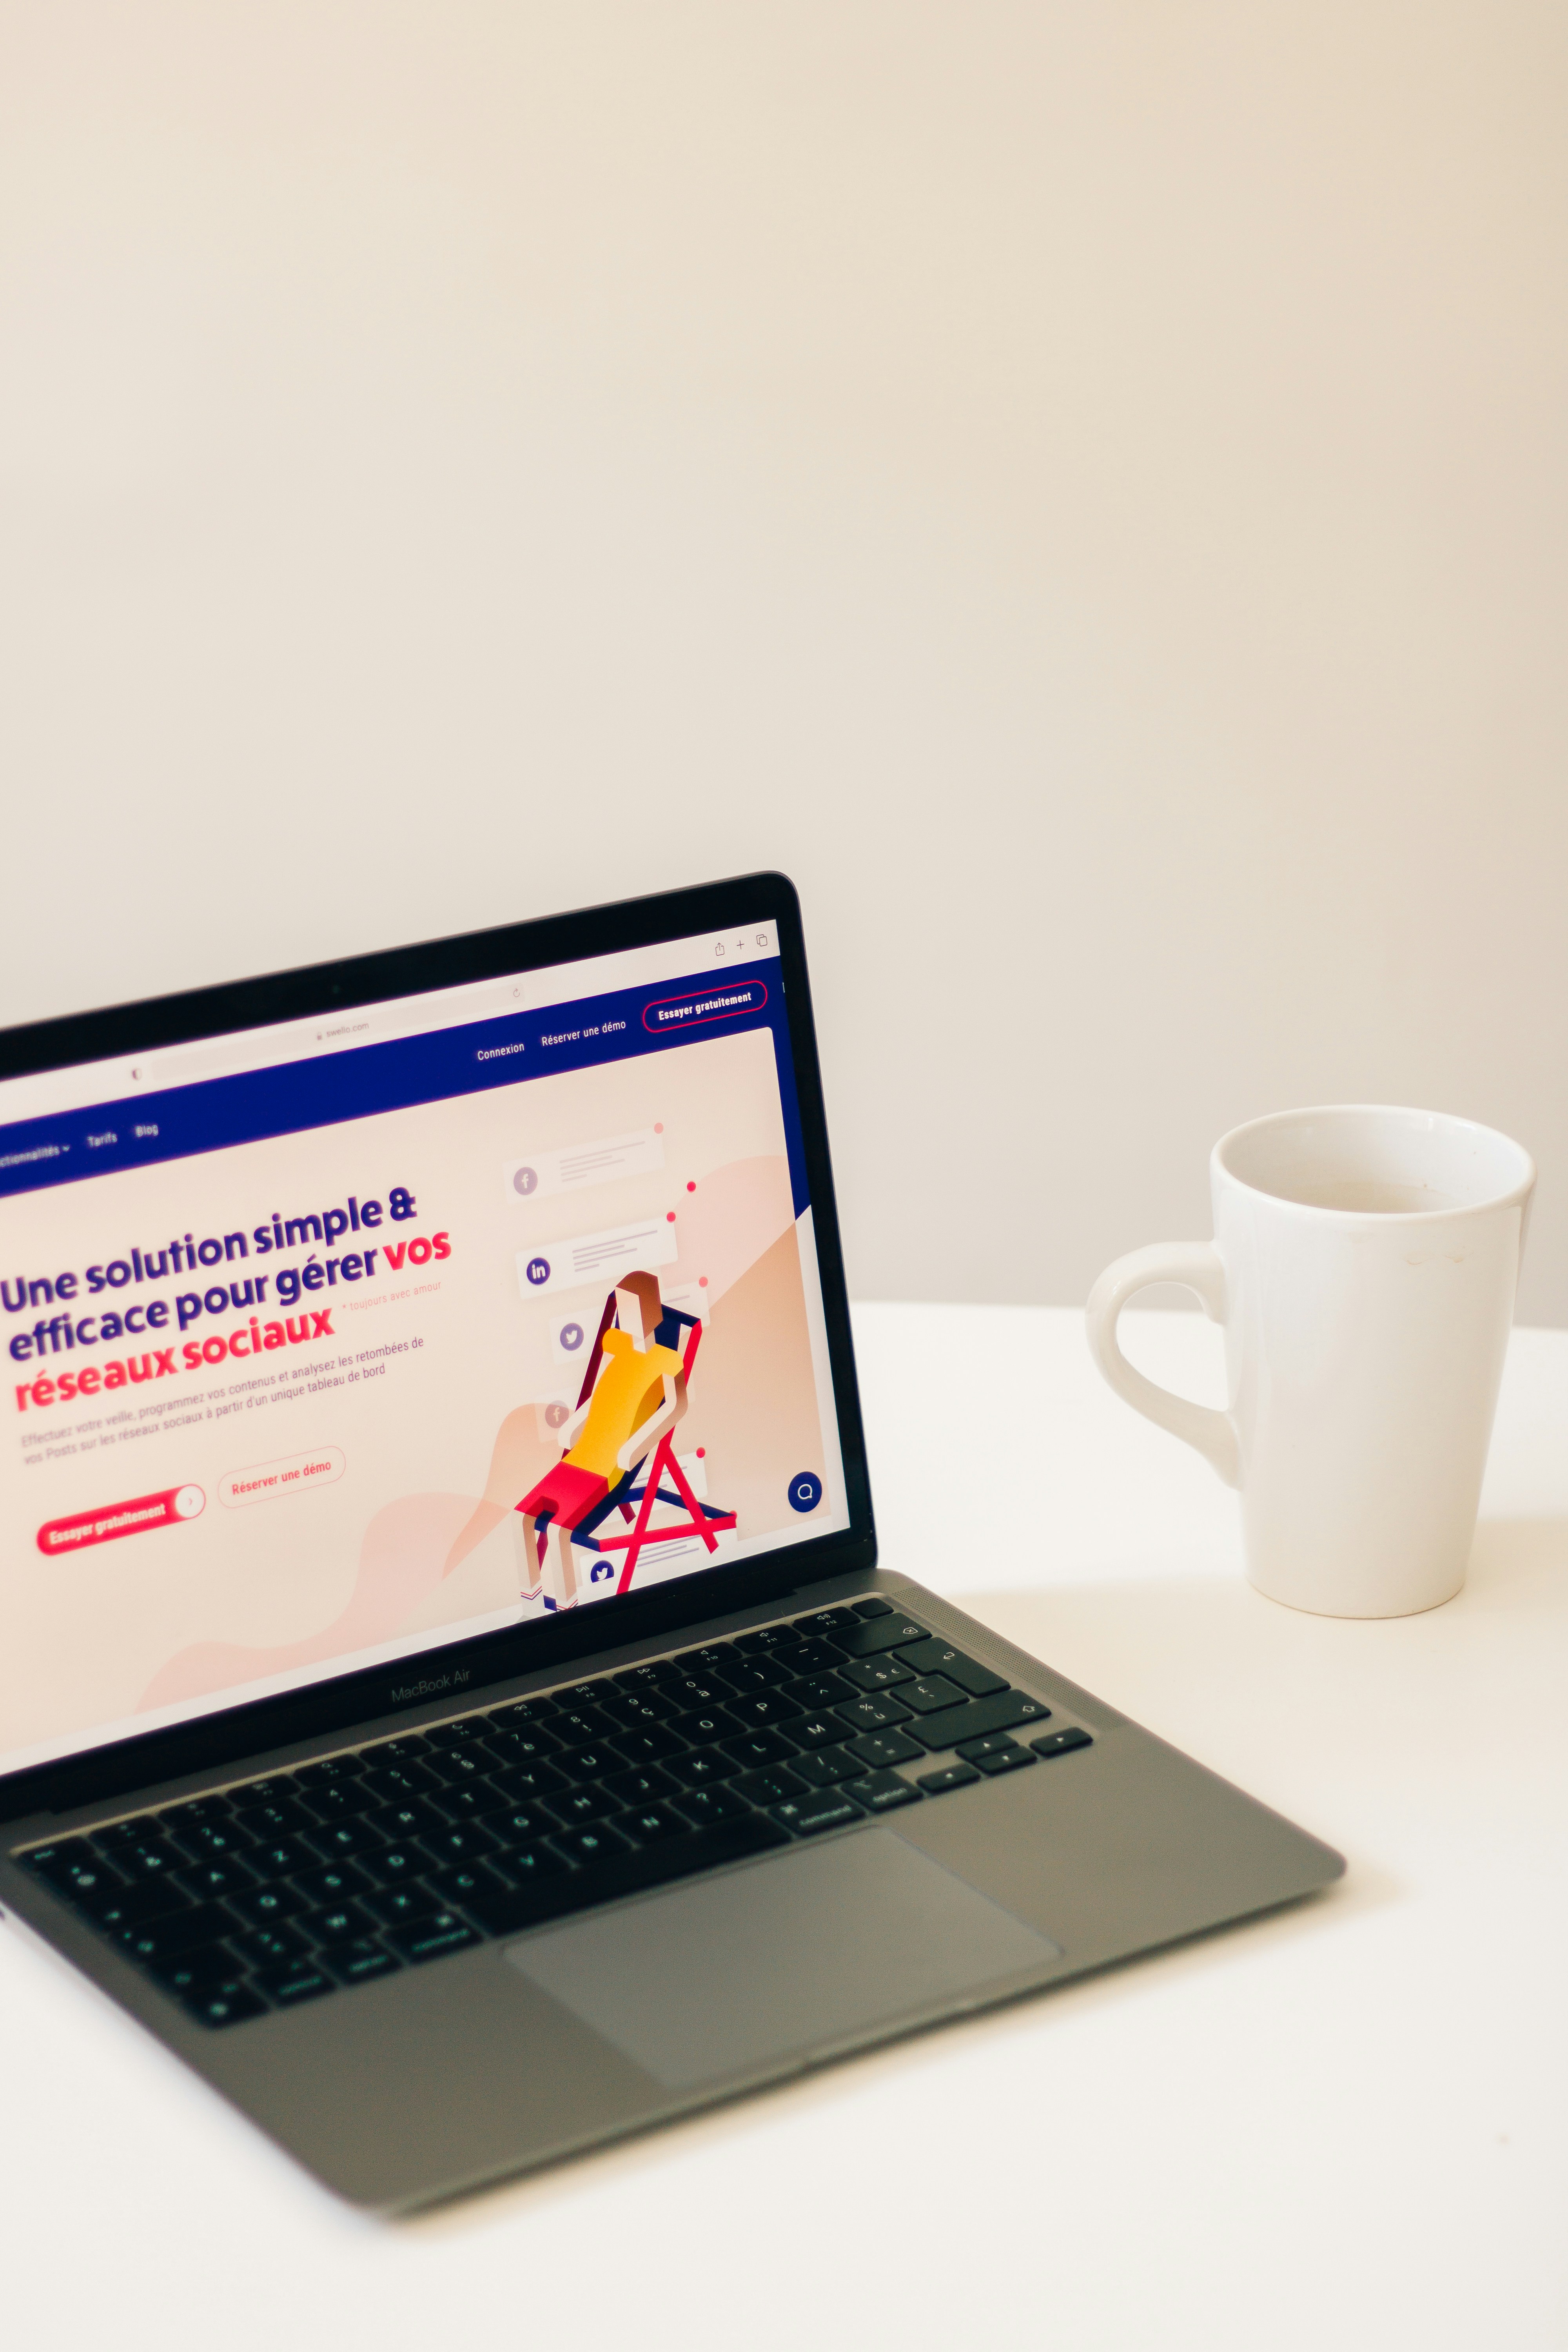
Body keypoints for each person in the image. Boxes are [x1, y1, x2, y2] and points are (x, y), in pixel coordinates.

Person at [516, 1269, 686, 1610]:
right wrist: (575, 1424)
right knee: (522, 1520)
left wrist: (633, 1447)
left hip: (613, 1464)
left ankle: (566, 1607)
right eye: (622, 1309)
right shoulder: (620, 1349)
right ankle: (531, 1603)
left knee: (562, 1530)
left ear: (652, 1312)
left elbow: (675, 1408)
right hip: (582, 1456)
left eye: (632, 1310)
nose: (625, 1318)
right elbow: (601, 1397)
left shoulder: (666, 1360)